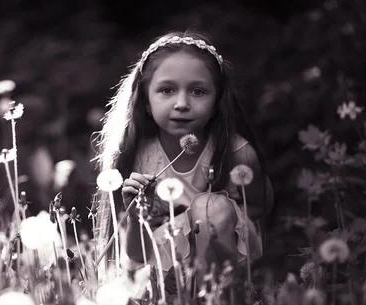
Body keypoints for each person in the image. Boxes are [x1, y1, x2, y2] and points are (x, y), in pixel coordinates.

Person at [93, 30, 274, 281]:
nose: (181, 103)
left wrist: (212, 226)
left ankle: (220, 301)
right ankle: (179, 301)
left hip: (225, 255)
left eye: (198, 92)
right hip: (163, 265)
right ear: (145, 100)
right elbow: (136, 254)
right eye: (167, 90)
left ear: (216, 103)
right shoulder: (137, 157)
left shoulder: (236, 153)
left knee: (211, 207)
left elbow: (259, 206)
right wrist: (139, 215)